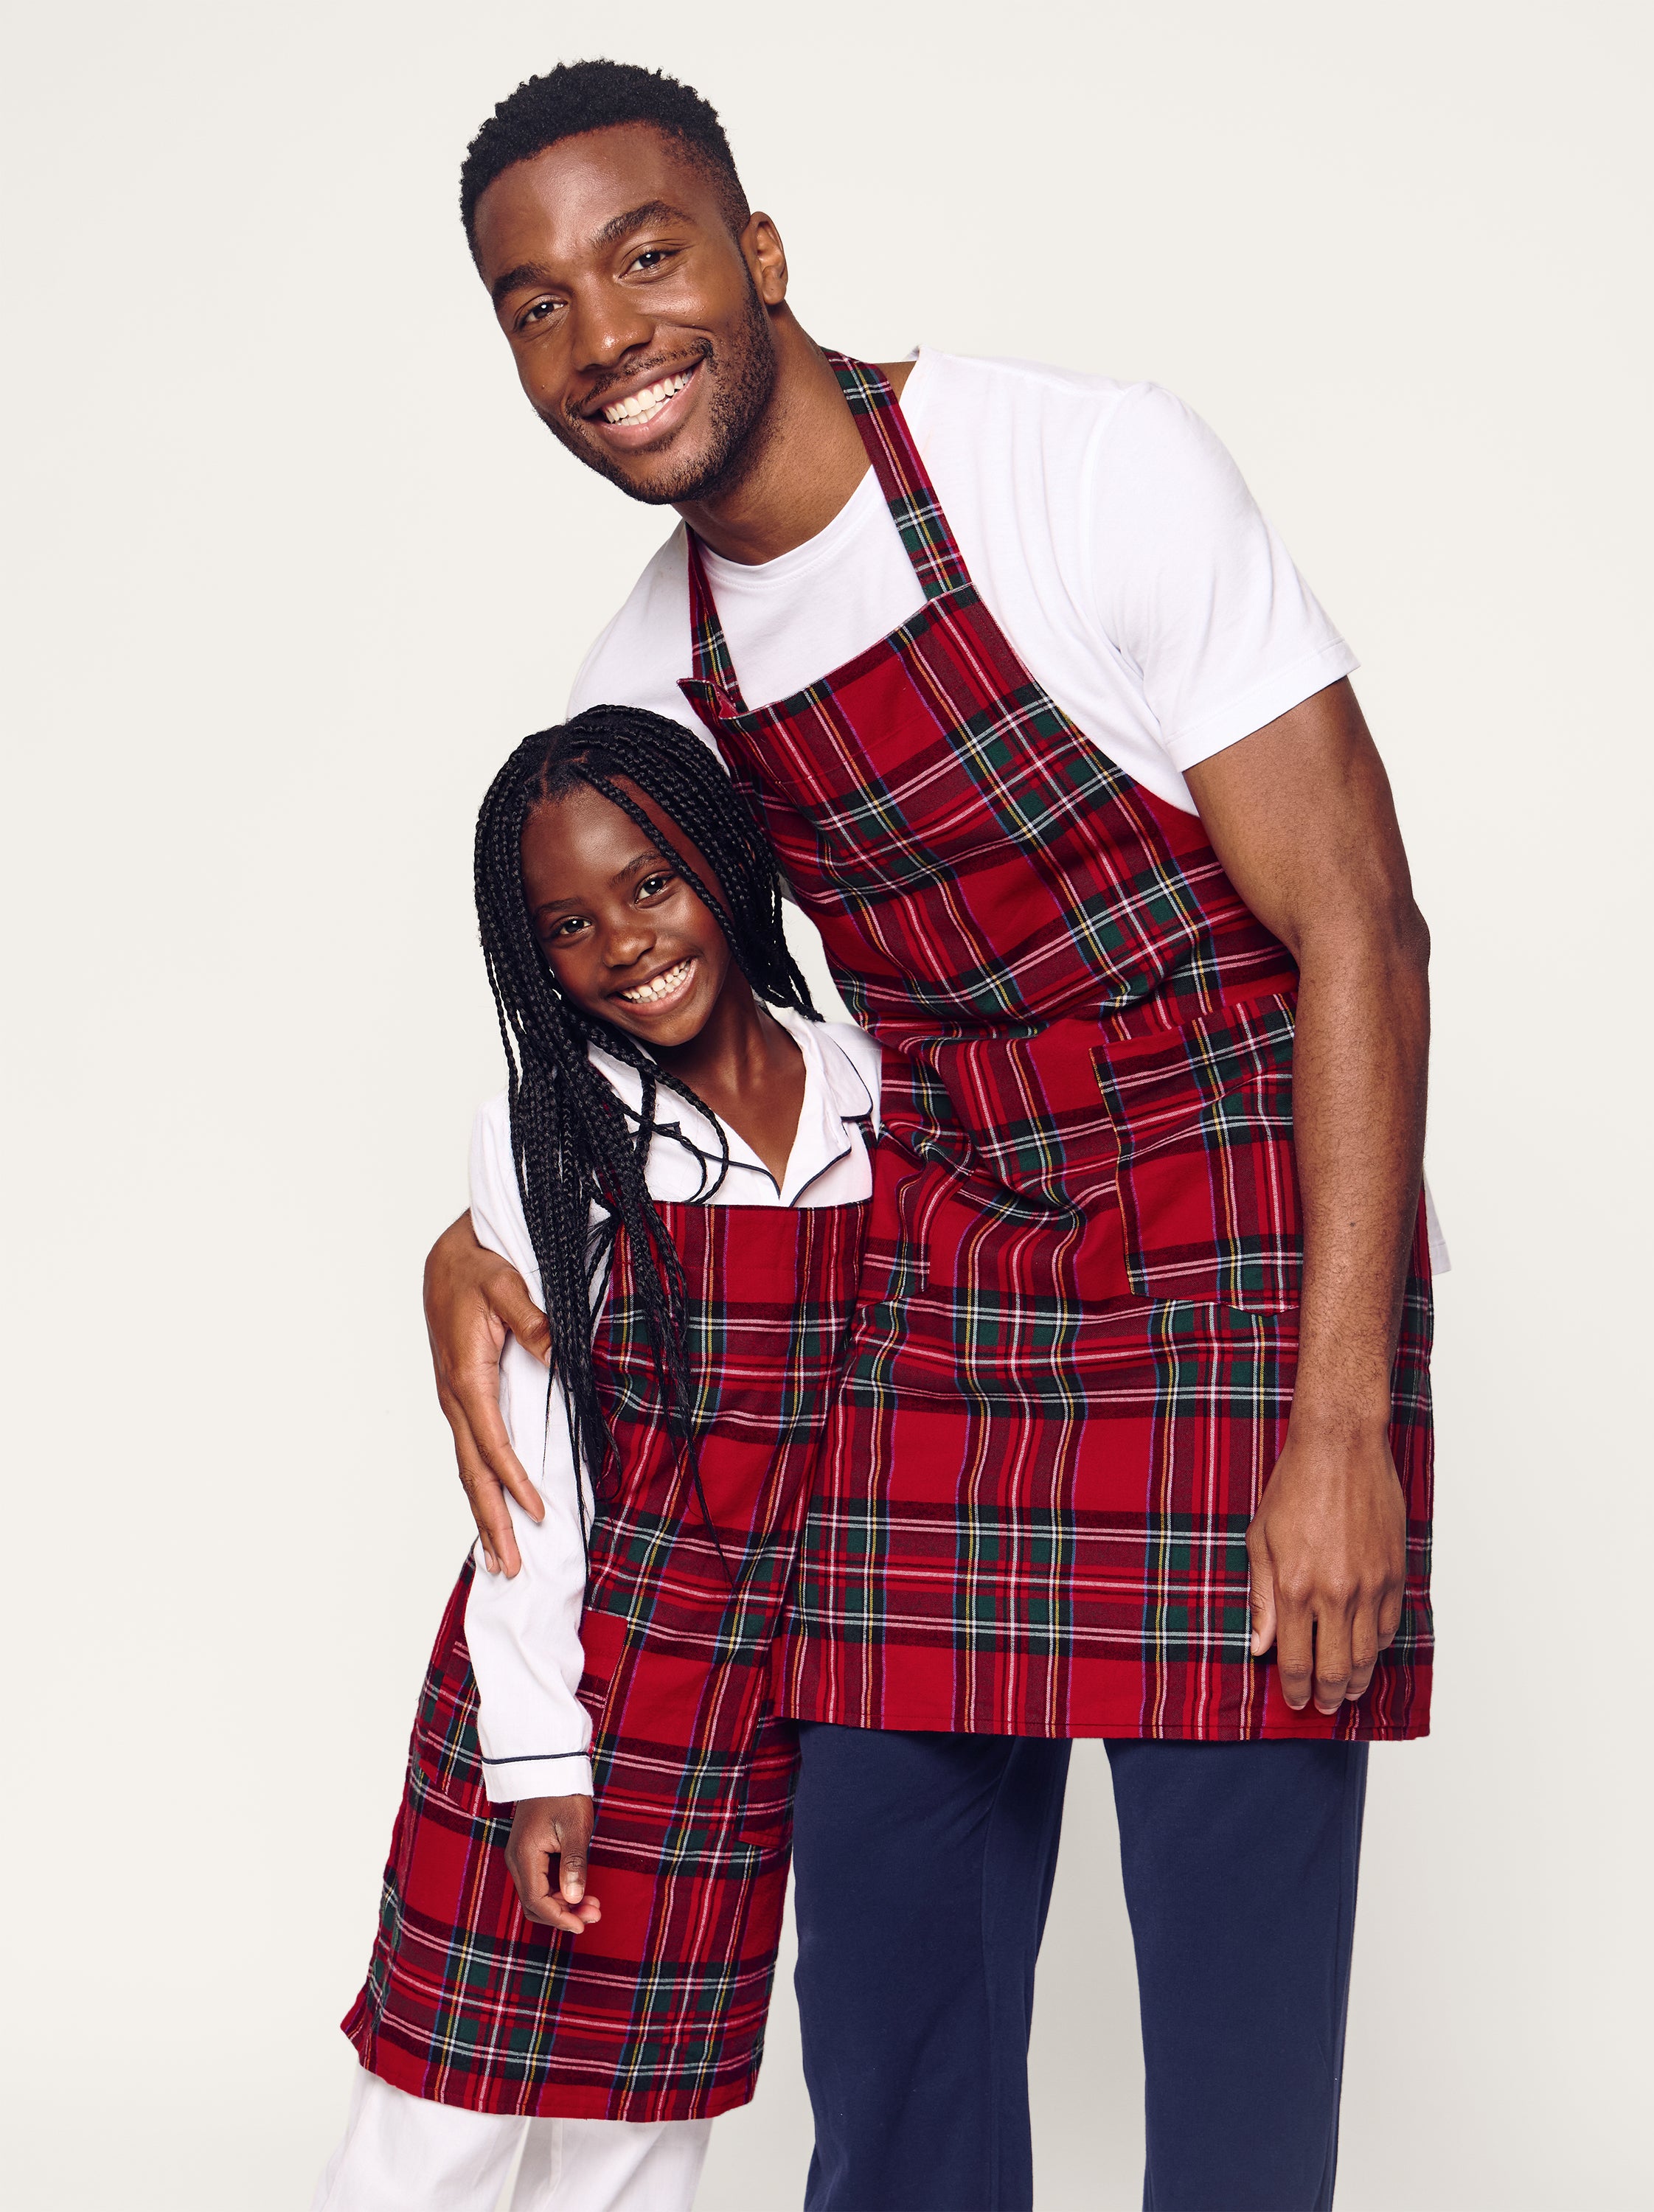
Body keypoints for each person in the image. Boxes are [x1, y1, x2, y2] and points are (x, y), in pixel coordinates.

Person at [423, 60, 1445, 2211]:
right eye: (533, 305)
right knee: (885, 1997)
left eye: (645, 257)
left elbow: (1357, 917)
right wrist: (464, 1235)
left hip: (1244, 1261)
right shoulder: (657, 668)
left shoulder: (1079, 470)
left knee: (1238, 2058)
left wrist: (1341, 1415)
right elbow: (629, 1020)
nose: (601, 338)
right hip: (951, 1277)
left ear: (760, 256)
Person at [317, 707, 880, 2211]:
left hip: (747, 1704)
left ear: (724, 859)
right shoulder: (555, 1134)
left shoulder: (873, 1094)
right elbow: (531, 1482)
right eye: (566, 924)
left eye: (648, 884)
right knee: (435, 2119)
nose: (624, 943)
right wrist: (537, 1757)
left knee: (644, 2134)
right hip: (562, 1663)